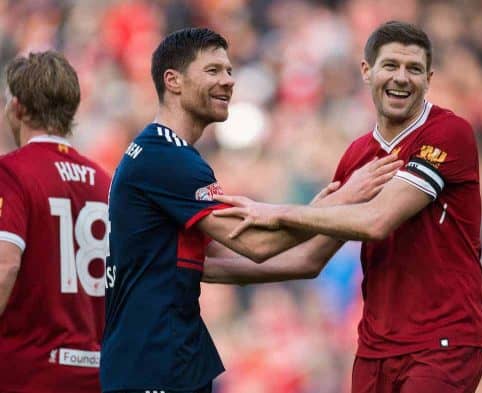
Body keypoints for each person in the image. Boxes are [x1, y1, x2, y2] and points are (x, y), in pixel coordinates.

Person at [100, 27, 402, 393]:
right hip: (152, 365)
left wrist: (332, 213)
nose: (228, 81)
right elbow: (256, 245)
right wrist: (343, 200)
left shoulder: (160, 157)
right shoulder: (167, 158)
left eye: (229, 71)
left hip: (169, 362)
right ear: (173, 81)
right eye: (213, 71)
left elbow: (299, 262)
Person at [211, 21, 482, 393]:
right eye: (390, 65)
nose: (402, 78)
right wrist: (193, 269)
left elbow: (377, 221)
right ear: (366, 70)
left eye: (415, 69)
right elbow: (307, 260)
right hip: (376, 349)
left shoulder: (448, 133)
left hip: (443, 342)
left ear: (429, 78)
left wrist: (278, 210)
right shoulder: (357, 156)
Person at [0, 51, 111, 392]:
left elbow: (5, 267)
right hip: (96, 374)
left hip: (26, 374)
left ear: (17, 107)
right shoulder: (105, 182)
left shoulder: (12, 173)